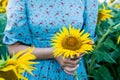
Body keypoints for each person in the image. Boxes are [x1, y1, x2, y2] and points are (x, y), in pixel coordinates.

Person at [3, 0, 98, 80]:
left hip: (72, 71)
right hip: (36, 73)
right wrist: (55, 53)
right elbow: (13, 48)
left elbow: (88, 41)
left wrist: (74, 55)